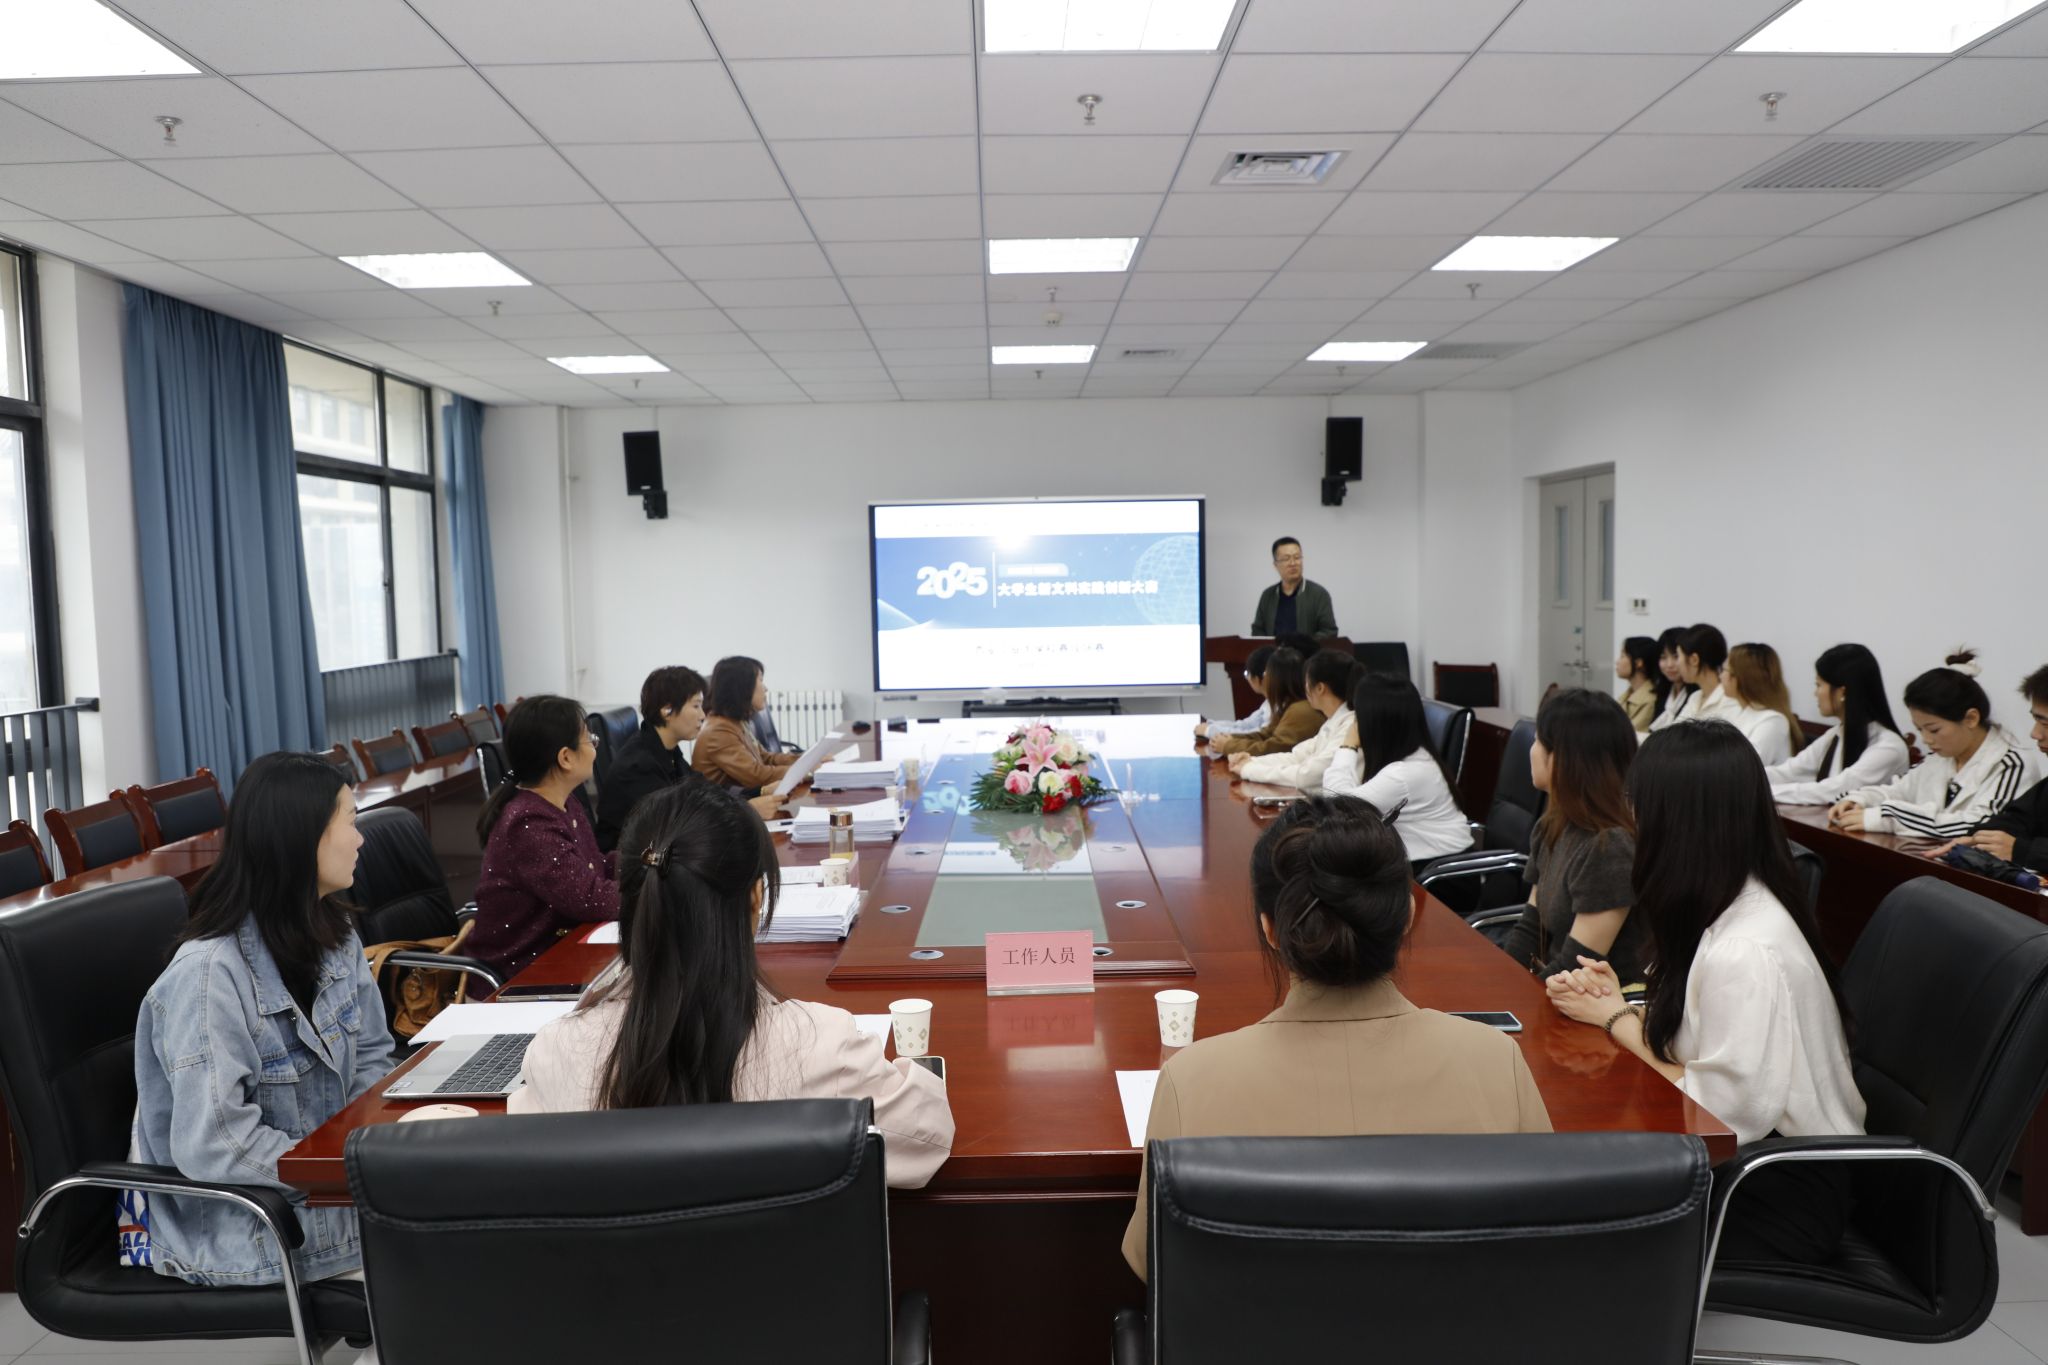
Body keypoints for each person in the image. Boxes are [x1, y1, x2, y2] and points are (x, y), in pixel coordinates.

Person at [1120, 794, 1550, 1279]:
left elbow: (1151, 1261)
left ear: (1270, 930)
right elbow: (1543, 1242)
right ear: (1408, 916)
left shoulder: (1191, 1078)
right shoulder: (1496, 1060)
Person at [512, 782, 955, 1186]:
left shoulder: (556, 1051)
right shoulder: (822, 1045)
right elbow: (928, 1137)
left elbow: (524, 1163)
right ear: (756, 897)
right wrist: (915, 1068)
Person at [1547, 720, 1865, 1263]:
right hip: (1752, 1163)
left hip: (1774, 1190)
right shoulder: (1729, 899)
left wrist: (1616, 1021)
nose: (1632, 821)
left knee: (1562, 1207)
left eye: (1638, 806)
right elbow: (1701, 1048)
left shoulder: (1744, 950)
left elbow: (1714, 1115)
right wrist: (1623, 1006)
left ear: (1675, 821)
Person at [132, 752, 395, 1285]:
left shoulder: (334, 934)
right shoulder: (208, 977)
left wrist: (367, 1152)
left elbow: (372, 1056)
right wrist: (345, 1171)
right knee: (455, 1241)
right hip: (248, 1225)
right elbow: (216, 1144)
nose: (361, 839)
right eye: (350, 821)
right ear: (302, 837)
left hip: (325, 1191)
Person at [1493, 689, 1646, 983]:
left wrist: (1517, 998)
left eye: (1538, 741)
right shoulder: (1553, 825)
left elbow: (1578, 964)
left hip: (1599, 998)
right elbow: (1531, 928)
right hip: (1557, 986)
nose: (1532, 750)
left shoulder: (1609, 848)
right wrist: (1501, 981)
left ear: (1563, 758)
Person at [470, 695, 618, 981]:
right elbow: (589, 898)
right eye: (590, 740)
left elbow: (593, 867)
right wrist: (655, 892)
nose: (595, 748)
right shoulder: (528, 823)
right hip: (517, 976)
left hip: (559, 957)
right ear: (566, 757)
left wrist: (649, 864)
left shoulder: (564, 803)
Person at [1830, 651, 2047, 840]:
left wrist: (1887, 817)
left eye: (1934, 730)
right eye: (1919, 730)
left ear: (1971, 718)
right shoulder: (1940, 757)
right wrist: (1860, 800)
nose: (1926, 739)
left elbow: (1980, 825)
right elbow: (1898, 790)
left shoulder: (2011, 764)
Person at [597, 665, 789, 850]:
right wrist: (747, 809)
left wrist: (760, 792)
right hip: (633, 862)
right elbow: (680, 822)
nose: (703, 715)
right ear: (667, 710)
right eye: (696, 706)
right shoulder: (639, 766)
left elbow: (704, 790)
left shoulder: (667, 750)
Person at [1321, 673, 1474, 868]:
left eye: (1358, 717)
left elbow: (1337, 805)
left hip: (1439, 874)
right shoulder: (1413, 756)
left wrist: (1348, 746)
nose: (1355, 725)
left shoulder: (1404, 774)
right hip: (1426, 863)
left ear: (1375, 723)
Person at [1934, 664, 2048, 873]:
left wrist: (2021, 850)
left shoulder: (2013, 761)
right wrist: (1978, 838)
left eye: (2046, 724)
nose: (2035, 734)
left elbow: (2018, 845)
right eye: (2035, 720)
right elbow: (2017, 819)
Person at [1767, 644, 1910, 805]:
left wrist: (1764, 791)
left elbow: (1836, 791)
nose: (1815, 693)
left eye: (1819, 685)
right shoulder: (1836, 733)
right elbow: (1789, 771)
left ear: (1842, 692)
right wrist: (1748, 778)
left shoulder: (1889, 747)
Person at [1231, 649, 1359, 788]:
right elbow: (1297, 757)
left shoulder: (1350, 725)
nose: (1305, 687)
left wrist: (1249, 770)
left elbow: (1307, 776)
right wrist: (1252, 761)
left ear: (1320, 688)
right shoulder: (1334, 720)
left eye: (1307, 681)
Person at [693, 656, 801, 792]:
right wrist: (803, 771)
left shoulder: (736, 721)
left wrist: (805, 761)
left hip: (737, 799)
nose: (766, 688)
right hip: (721, 804)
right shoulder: (719, 731)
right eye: (760, 680)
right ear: (743, 688)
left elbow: (765, 758)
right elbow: (756, 776)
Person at [1208, 647, 1318, 757]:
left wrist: (1229, 746)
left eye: (1266, 673)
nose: (1265, 679)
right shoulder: (1289, 705)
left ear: (1278, 678)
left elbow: (1274, 748)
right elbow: (1265, 735)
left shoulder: (1299, 710)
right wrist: (1231, 738)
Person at [1718, 643, 1802, 767]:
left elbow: (1745, 767)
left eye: (1724, 670)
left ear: (1741, 677)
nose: (1720, 676)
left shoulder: (1773, 721)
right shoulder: (1739, 710)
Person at [1250, 537, 1339, 638]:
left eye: (1297, 557)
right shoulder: (1267, 595)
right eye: (1286, 559)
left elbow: (1329, 631)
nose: (1293, 563)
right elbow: (1257, 631)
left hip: (1307, 648)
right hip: (1274, 649)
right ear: (1275, 565)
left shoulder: (1319, 594)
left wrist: (1304, 644)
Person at [1196, 644, 1273, 741]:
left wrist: (1209, 731)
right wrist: (1211, 725)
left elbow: (1254, 736)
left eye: (1247, 673)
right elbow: (1244, 725)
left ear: (1258, 678)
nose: (1247, 678)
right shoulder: (1269, 702)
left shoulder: (1276, 707)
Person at [1672, 623, 1739, 723]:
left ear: (1694, 660)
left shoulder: (1729, 700)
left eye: (1677, 656)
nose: (1676, 664)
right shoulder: (1695, 697)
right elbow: (1674, 730)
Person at [1647, 626, 1696, 734]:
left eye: (1676, 656)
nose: (1669, 665)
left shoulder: (1696, 694)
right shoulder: (1663, 693)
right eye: (1663, 657)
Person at [1616, 635, 1664, 735]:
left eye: (1622, 656)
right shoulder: (1627, 696)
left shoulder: (1650, 700)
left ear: (1638, 663)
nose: (1617, 662)